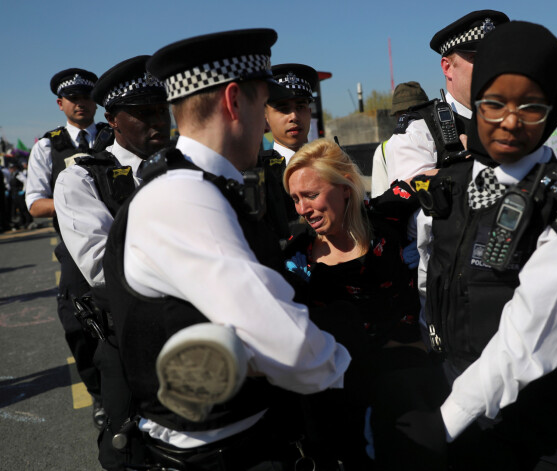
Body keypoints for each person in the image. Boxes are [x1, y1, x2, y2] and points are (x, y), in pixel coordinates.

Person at [101, 29, 350, 470]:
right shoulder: (182, 197)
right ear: (235, 102)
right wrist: (346, 365)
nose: (266, 120)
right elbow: (293, 349)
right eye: (264, 104)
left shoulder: (209, 187)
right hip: (218, 455)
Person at [418, 21, 557, 470]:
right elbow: (428, 279)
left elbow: (526, 343)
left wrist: (443, 421)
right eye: (494, 103)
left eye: (530, 107)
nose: (509, 121)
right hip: (454, 407)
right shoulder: (447, 184)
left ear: (553, 110)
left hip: (531, 430)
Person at [283, 138, 446, 470]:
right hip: (341, 401)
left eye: (311, 195)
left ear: (345, 187)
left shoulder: (386, 220)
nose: (303, 209)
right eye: (296, 199)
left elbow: (430, 178)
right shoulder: (295, 258)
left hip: (409, 389)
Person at [53, 55, 171, 471]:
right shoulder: (81, 179)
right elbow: (107, 271)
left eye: (162, 110)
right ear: (114, 120)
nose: (158, 121)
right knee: (131, 454)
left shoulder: (185, 166)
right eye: (143, 113)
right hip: (128, 341)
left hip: (194, 340)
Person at [25, 68, 109, 427]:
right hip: (75, 250)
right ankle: (99, 394)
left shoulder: (113, 133)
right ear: (61, 104)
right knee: (79, 326)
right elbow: (34, 203)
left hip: (122, 239)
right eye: (73, 99)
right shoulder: (49, 146)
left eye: (87, 97)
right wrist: (77, 200)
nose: (81, 104)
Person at [385, 10, 509, 183]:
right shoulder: (418, 133)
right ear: (448, 67)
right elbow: (419, 206)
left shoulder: (515, 121)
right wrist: (475, 171)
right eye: (476, 58)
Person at [259, 63, 319, 242]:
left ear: (309, 113)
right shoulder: (260, 172)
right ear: (266, 118)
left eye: (300, 107)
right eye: (283, 108)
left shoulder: (334, 162)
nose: (294, 116)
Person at [370, 81, 428, 198]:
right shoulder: (383, 151)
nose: (410, 119)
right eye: (403, 114)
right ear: (396, 116)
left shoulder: (446, 141)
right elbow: (381, 201)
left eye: (414, 112)